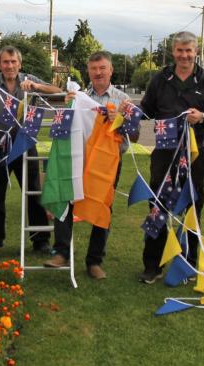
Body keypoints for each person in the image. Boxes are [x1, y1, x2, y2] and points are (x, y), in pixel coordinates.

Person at [138, 31, 204, 284]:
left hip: (194, 155)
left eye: (189, 51)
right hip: (164, 154)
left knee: (192, 209)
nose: (184, 55)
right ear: (173, 51)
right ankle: (152, 266)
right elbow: (146, 110)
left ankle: (186, 265)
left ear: (195, 52)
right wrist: (130, 112)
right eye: (180, 50)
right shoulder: (160, 79)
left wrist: (203, 117)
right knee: (157, 207)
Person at [45, 51, 136, 279]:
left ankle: (94, 261)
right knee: (67, 197)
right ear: (88, 71)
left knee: (102, 204)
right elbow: (64, 128)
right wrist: (67, 108)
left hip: (108, 161)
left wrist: (123, 118)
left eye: (102, 68)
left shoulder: (122, 99)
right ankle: (61, 252)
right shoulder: (77, 97)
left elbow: (134, 136)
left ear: (111, 70)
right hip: (79, 157)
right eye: (94, 69)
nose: (98, 73)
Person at [0, 46, 61, 254]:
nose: (10, 66)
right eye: (5, 62)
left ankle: (40, 240)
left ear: (19, 64)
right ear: (0, 64)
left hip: (24, 142)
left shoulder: (28, 79)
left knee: (33, 191)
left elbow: (57, 91)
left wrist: (36, 86)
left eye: (13, 62)